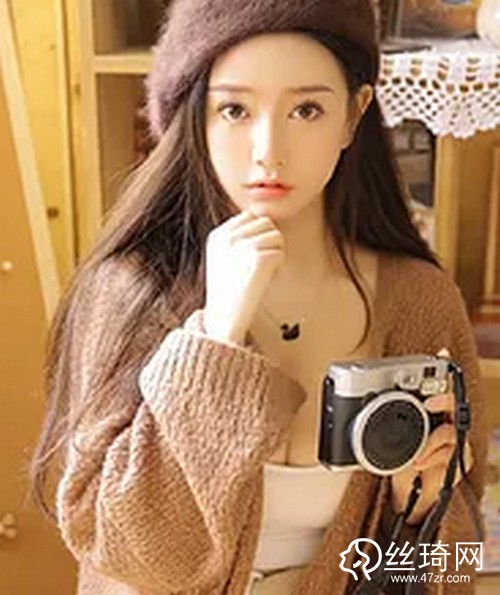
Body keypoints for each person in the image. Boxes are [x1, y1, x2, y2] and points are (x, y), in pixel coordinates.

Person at [30, 0, 486, 594]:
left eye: (306, 109)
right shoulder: (131, 293)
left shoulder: (420, 303)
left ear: (354, 115)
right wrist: (214, 338)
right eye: (235, 109)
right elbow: (127, 553)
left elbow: (453, 572)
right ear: (194, 117)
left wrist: (418, 514)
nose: (269, 149)